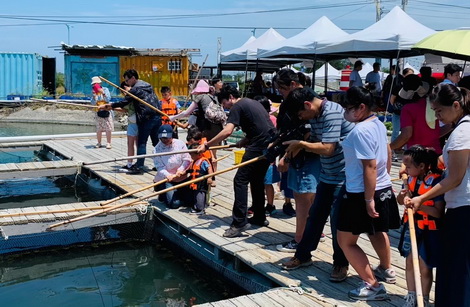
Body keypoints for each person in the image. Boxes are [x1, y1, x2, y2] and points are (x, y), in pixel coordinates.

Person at [280, 88, 354, 283]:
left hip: (344, 177)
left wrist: (301, 144)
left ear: (307, 105)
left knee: (338, 223)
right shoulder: (316, 114)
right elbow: (316, 138)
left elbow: (328, 148)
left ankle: (341, 263)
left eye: (301, 114)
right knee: (314, 218)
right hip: (327, 175)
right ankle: (303, 256)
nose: (302, 118)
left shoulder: (331, 112)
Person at [406, 84, 470, 307]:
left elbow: (455, 178)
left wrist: (421, 198)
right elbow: (449, 164)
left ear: (455, 105)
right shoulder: (461, 127)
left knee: (457, 271)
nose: (438, 117)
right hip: (461, 206)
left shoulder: (463, 132)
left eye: (440, 111)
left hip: (463, 208)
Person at [337, 86, 401, 301]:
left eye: (348, 108)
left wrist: (368, 199)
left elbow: (370, 166)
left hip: (361, 191)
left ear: (361, 108)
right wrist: (386, 180)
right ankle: (386, 268)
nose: (346, 112)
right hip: (381, 186)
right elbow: (388, 152)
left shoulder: (360, 131)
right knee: (376, 230)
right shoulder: (377, 124)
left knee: (345, 240)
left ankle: (372, 285)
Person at [197, 85, 275, 238]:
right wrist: (245, 140)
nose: (225, 106)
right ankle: (259, 216)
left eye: (224, 103)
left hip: (258, 146)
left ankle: (239, 223)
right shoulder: (253, 102)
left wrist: (207, 144)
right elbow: (261, 127)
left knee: (240, 180)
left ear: (231, 97)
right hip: (270, 145)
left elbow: (227, 131)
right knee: (257, 180)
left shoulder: (237, 106)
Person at [273, 69, 321, 252]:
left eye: (282, 90)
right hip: (304, 155)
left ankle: (300, 240)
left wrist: (286, 157)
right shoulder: (308, 97)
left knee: (302, 199)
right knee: (310, 198)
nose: (281, 94)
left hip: (303, 156)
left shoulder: (301, 102)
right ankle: (312, 232)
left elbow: (305, 132)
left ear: (293, 85)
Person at [396, 145, 444, 307]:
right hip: (412, 226)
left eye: (408, 166)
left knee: (424, 266)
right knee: (410, 261)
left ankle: (422, 298)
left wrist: (419, 204)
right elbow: (400, 201)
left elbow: (438, 213)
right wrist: (402, 197)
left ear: (421, 166)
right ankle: (411, 297)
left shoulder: (436, 181)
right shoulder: (409, 179)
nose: (405, 170)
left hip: (429, 229)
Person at [101, 69, 161, 174]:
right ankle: (160, 165)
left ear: (133, 78)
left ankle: (139, 166)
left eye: (128, 80)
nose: (127, 83)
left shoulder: (135, 90)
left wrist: (109, 106)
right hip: (157, 116)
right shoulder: (148, 86)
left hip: (145, 118)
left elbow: (123, 102)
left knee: (142, 143)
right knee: (157, 143)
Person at [171, 80, 224, 185]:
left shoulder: (200, 97)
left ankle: (197, 173)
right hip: (217, 130)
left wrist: (173, 118)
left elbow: (187, 112)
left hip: (205, 130)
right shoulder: (214, 97)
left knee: (200, 152)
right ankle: (212, 178)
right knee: (213, 155)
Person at [390, 74, 442, 155]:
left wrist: (389, 147)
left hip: (416, 156)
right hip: (435, 152)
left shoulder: (408, 109)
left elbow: (406, 135)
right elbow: (442, 129)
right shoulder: (433, 104)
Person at [153, 124, 192, 209]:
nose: (165, 140)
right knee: (174, 204)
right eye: (162, 138)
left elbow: (187, 159)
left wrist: (181, 170)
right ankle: (163, 191)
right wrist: (168, 175)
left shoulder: (180, 144)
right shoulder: (156, 149)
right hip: (168, 179)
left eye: (167, 137)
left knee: (190, 202)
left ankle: (179, 194)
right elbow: (159, 167)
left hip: (182, 176)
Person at [254, 95, 280, 215]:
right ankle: (256, 204)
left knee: (268, 182)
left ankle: (270, 204)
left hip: (268, 155)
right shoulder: (255, 119)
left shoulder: (272, 119)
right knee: (255, 181)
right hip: (256, 153)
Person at [182, 143, 213, 214]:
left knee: (200, 196)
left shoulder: (203, 161)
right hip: (194, 183)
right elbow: (189, 170)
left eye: (192, 155)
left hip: (201, 183)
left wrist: (210, 178)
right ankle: (195, 206)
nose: (190, 156)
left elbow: (209, 169)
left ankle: (200, 209)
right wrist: (182, 173)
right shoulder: (194, 162)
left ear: (198, 154)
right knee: (195, 195)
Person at [90, 76, 113, 149]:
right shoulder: (93, 91)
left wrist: (103, 93)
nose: (95, 85)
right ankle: (99, 142)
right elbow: (93, 103)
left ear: (99, 83)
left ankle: (108, 143)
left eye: (96, 84)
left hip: (106, 110)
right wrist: (94, 96)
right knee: (98, 128)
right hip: (98, 111)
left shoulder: (105, 89)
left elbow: (108, 99)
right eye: (94, 84)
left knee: (108, 128)